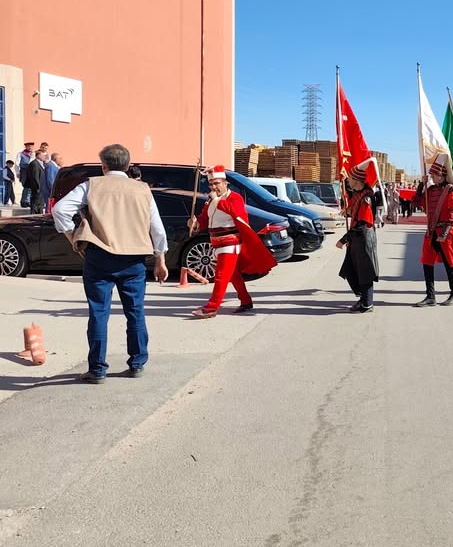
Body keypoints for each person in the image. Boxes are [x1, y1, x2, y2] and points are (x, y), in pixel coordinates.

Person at [52, 143, 169, 383]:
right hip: (134, 259)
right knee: (135, 312)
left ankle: (97, 369)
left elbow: (60, 210)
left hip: (99, 257)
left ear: (103, 166)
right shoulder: (142, 190)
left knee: (98, 313)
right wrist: (160, 258)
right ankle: (137, 363)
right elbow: (157, 228)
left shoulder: (91, 185)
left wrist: (72, 236)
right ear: (127, 165)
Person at [187, 165, 277, 319]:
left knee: (221, 275)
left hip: (231, 242)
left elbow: (234, 212)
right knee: (233, 275)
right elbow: (204, 219)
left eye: (217, 183)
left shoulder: (234, 197)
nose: (214, 187)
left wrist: (216, 201)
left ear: (225, 183)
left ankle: (211, 307)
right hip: (216, 242)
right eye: (211, 184)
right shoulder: (211, 201)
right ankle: (246, 300)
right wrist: (195, 224)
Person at [413, 154, 453, 307]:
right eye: (431, 175)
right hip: (431, 232)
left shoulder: (452, 191)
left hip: (446, 233)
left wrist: (443, 235)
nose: (432, 177)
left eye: (434, 174)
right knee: (427, 263)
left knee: (449, 264)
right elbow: (416, 202)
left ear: (442, 175)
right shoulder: (430, 190)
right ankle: (430, 296)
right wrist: (421, 185)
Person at [336, 160, 379, 313]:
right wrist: (343, 175)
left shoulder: (366, 198)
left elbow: (362, 224)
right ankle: (363, 299)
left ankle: (367, 303)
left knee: (364, 271)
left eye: (351, 179)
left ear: (357, 180)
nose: (349, 181)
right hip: (357, 239)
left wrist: (344, 239)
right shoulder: (359, 193)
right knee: (351, 270)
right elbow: (349, 190)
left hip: (363, 238)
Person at [18, 142, 34, 208]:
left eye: (31, 146)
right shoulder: (21, 154)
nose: (30, 148)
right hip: (24, 172)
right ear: (26, 147)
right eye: (28, 146)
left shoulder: (34, 154)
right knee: (26, 186)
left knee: (31, 187)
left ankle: (28, 201)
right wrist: (18, 173)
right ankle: (23, 201)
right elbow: (17, 163)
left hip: (31, 172)